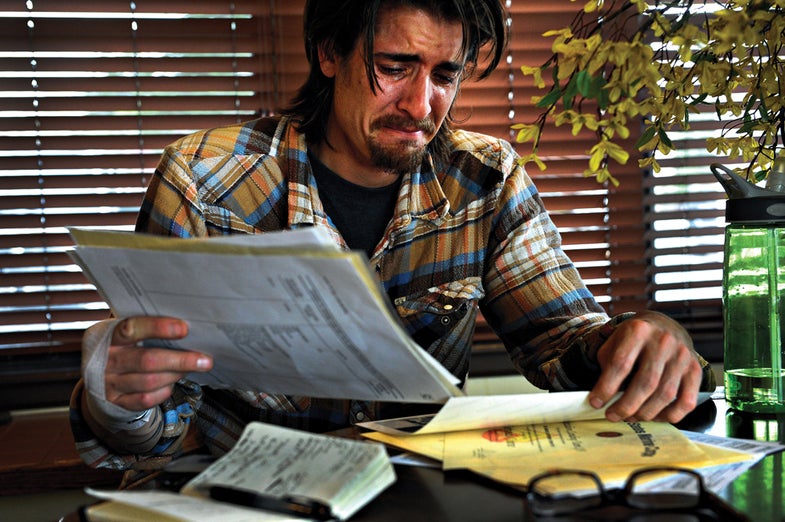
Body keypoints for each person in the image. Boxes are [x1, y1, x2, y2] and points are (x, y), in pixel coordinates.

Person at [70, 0, 715, 470]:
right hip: (246, 499)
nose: (421, 106)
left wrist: (645, 342)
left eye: (444, 75)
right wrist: (117, 404)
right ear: (328, 53)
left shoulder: (482, 178)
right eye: (394, 67)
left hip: (420, 500)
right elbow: (150, 430)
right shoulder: (205, 182)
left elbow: (564, 343)